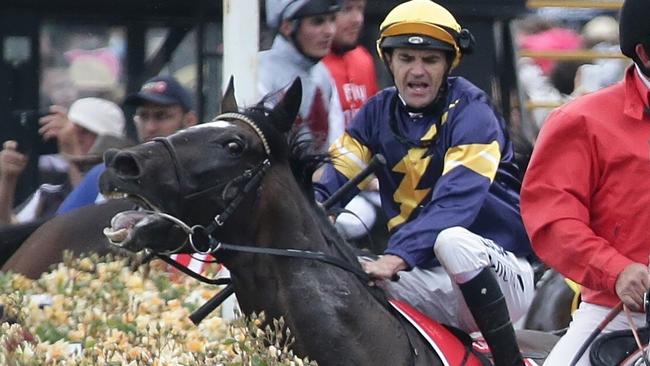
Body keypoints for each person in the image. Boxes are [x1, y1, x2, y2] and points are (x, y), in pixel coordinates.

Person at [313, 1, 533, 365]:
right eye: (406, 58)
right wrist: (311, 215)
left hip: (499, 275)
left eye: (430, 59)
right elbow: (335, 178)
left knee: (453, 240)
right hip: (424, 278)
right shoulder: (376, 112)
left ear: (448, 64)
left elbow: (456, 204)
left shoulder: (473, 112)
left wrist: (396, 256)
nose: (417, 71)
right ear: (390, 62)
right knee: (346, 273)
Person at [520, 0, 650, 364]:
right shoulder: (581, 121)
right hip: (620, 313)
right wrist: (617, 271)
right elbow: (553, 219)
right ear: (644, 53)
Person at [56, 75, 197, 214]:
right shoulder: (110, 172)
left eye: (161, 116)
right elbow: (60, 230)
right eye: (143, 116)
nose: (150, 127)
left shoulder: (204, 174)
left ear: (190, 120)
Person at [0, 97, 127, 225]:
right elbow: (9, 231)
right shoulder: (48, 195)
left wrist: (74, 155)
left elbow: (85, 214)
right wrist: (8, 180)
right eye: (74, 131)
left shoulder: (120, 194)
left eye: (86, 132)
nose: (76, 138)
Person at [321, 0, 381, 246]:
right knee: (353, 220)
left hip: (368, 181)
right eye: (347, 9)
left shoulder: (363, 59)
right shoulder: (315, 66)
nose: (357, 19)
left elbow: (375, 130)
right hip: (330, 183)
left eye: (361, 9)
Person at [260, 0, 345, 153]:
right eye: (317, 22)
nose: (330, 31)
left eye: (332, 19)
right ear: (287, 27)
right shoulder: (258, 72)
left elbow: (336, 147)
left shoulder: (323, 74)